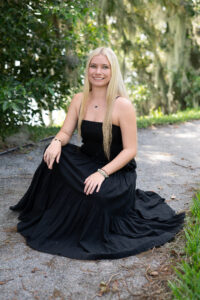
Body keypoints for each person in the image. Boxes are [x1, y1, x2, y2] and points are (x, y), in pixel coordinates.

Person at [10, 47, 185, 260]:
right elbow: (66, 132)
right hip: (86, 161)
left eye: (104, 67)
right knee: (53, 155)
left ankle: (84, 199)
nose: (98, 72)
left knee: (97, 197)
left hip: (116, 171)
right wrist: (56, 142)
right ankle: (53, 206)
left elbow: (130, 150)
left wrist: (102, 173)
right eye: (93, 66)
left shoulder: (123, 106)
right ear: (88, 69)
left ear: (113, 71)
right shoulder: (78, 99)